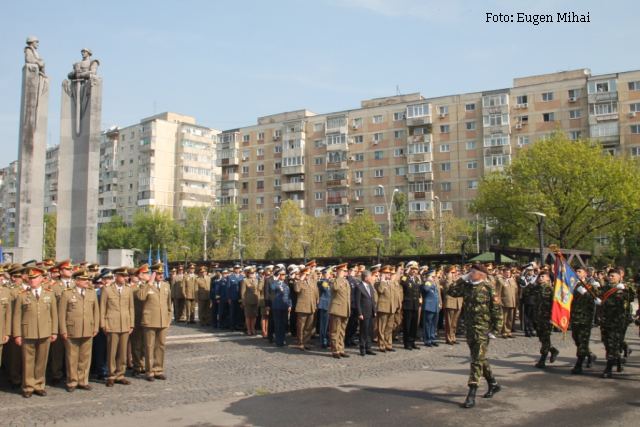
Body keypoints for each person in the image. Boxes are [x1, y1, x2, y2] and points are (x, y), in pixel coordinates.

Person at [447, 263, 503, 409]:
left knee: (476, 361)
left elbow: (497, 311)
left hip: (483, 331)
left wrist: (495, 330)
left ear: (481, 275)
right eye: (470, 271)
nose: (470, 273)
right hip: (470, 330)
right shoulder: (467, 287)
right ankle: (493, 383)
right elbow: (450, 291)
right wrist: (462, 278)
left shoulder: (489, 289)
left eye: (473, 272)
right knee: (480, 358)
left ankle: (471, 393)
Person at [12, 267, 58, 398]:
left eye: (35, 278)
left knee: (41, 361)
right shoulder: (22, 295)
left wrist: (54, 331)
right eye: (30, 278)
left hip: (44, 331)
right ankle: (28, 386)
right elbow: (17, 316)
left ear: (41, 279)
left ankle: (39, 385)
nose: (32, 281)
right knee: (28, 361)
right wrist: (17, 334)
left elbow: (54, 314)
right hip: (28, 332)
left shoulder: (49, 294)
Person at [58, 268, 99, 392]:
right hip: (72, 329)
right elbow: (61, 314)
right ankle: (72, 381)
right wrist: (63, 330)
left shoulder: (91, 293)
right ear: (76, 280)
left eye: (87, 279)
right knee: (72, 357)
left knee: (85, 357)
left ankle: (83, 380)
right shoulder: (67, 293)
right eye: (83, 279)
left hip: (88, 328)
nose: (87, 281)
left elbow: (95, 312)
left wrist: (95, 327)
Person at [100, 267, 134, 387]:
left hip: (124, 323)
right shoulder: (107, 289)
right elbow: (103, 308)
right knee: (112, 351)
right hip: (112, 323)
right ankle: (111, 375)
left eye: (126, 276)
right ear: (116, 276)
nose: (126, 278)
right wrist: (103, 324)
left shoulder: (128, 289)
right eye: (123, 276)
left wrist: (131, 324)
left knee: (122, 351)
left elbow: (131, 307)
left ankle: (120, 374)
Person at [137, 263, 172, 381]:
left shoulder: (166, 285)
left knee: (160, 346)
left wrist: (168, 319)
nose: (161, 275)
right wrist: (150, 283)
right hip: (150, 320)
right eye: (158, 273)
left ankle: (158, 369)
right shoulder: (146, 286)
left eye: (162, 273)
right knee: (149, 346)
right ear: (153, 274)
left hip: (162, 320)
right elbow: (141, 297)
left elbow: (169, 304)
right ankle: (149, 371)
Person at [600, 268, 633, 378]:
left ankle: (608, 368)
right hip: (605, 319)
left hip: (616, 320)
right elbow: (598, 296)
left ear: (620, 277)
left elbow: (623, 300)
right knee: (605, 341)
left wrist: (626, 290)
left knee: (613, 343)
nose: (611, 277)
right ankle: (618, 358)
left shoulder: (623, 289)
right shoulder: (605, 288)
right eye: (610, 275)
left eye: (613, 276)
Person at [525, 270, 560, 369]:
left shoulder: (551, 290)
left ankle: (542, 359)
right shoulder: (536, 288)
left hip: (547, 317)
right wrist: (532, 283)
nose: (541, 278)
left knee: (546, 338)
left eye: (543, 276)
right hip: (538, 317)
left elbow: (556, 305)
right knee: (541, 337)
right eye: (540, 276)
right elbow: (526, 292)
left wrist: (553, 318)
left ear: (548, 278)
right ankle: (553, 350)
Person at [569, 266, 600, 374]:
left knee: (583, 341)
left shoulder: (591, 286)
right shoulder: (573, 284)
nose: (577, 273)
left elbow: (595, 299)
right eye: (576, 271)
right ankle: (590, 354)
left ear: (585, 274)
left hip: (585, 317)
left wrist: (586, 293)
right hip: (575, 317)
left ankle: (579, 364)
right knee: (576, 338)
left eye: (579, 271)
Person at [329, 263, 351, 359]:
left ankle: (341, 349)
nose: (345, 272)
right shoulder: (334, 280)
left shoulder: (346, 281)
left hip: (345, 309)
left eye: (346, 271)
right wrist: (339, 277)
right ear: (338, 271)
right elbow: (335, 288)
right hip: (337, 309)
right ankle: (335, 350)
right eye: (344, 271)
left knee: (342, 331)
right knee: (335, 331)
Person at [400, 261, 422, 351]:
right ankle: (407, 343)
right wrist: (406, 272)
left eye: (415, 269)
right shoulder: (406, 278)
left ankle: (412, 341)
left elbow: (419, 293)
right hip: (408, 304)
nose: (414, 271)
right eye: (412, 269)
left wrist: (420, 303)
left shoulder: (417, 279)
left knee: (414, 325)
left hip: (415, 304)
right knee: (407, 325)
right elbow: (402, 283)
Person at [374, 266, 396, 353]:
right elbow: (380, 290)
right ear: (382, 274)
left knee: (389, 327)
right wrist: (382, 279)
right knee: (382, 327)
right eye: (386, 273)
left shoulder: (390, 283)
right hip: (383, 308)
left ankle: (388, 344)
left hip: (391, 307)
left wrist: (394, 306)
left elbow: (392, 296)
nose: (389, 274)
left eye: (389, 273)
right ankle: (382, 345)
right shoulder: (379, 283)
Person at [355, 270, 377, 356]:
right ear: (366, 278)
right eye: (370, 277)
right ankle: (362, 347)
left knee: (370, 331)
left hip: (371, 312)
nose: (372, 278)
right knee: (363, 331)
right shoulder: (359, 287)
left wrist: (374, 310)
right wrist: (360, 313)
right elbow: (358, 302)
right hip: (364, 313)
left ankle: (368, 347)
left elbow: (372, 300)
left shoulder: (370, 286)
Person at [294, 267, 317, 351]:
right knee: (301, 327)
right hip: (302, 307)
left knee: (308, 326)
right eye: (307, 274)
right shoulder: (299, 282)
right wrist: (301, 279)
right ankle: (300, 343)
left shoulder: (311, 282)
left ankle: (306, 342)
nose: (309, 276)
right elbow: (297, 289)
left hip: (311, 307)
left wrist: (314, 307)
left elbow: (314, 295)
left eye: (309, 274)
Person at [129, 267, 146, 376]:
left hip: (146, 318)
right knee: (136, 344)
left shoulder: (145, 286)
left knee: (145, 344)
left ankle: (143, 364)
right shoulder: (130, 288)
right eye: (145, 273)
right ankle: (136, 365)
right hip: (135, 318)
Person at [441, 265, 462, 345]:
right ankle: (448, 338)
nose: (455, 274)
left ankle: (453, 337)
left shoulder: (457, 280)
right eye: (452, 272)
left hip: (458, 302)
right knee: (449, 322)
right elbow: (448, 288)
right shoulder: (445, 280)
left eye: (455, 272)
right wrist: (449, 277)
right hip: (450, 303)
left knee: (455, 322)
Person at [270, 269, 291, 347]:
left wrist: (290, 305)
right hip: (277, 306)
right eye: (282, 275)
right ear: (279, 275)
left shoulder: (285, 284)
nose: (284, 276)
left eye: (284, 275)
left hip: (284, 306)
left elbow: (288, 296)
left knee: (283, 323)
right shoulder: (276, 284)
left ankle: (283, 339)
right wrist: (276, 279)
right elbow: (272, 288)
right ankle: (278, 340)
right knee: (278, 323)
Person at [496, 268, 518, 339]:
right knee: (504, 318)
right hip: (505, 302)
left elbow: (516, 291)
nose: (508, 274)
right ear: (503, 273)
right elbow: (498, 292)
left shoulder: (512, 281)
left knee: (511, 318)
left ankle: (509, 331)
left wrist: (517, 301)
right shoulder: (501, 281)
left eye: (509, 272)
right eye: (506, 272)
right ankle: (504, 332)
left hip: (513, 302)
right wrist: (499, 301)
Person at [421, 269, 441, 347]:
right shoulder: (425, 284)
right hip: (428, 307)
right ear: (427, 277)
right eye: (432, 277)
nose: (434, 278)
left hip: (435, 307)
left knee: (434, 324)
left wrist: (439, 304)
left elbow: (437, 296)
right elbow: (425, 289)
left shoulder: (435, 285)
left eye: (434, 277)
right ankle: (427, 340)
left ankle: (432, 338)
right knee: (427, 324)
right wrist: (428, 280)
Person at [240, 267, 259, 336]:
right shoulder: (245, 281)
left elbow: (257, 291)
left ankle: (252, 329)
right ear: (247, 274)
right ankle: (248, 330)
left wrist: (258, 300)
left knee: (254, 316)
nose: (252, 274)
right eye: (251, 273)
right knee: (248, 316)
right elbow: (243, 292)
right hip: (248, 301)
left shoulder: (256, 280)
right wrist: (243, 301)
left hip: (255, 300)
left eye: (253, 273)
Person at [317, 267, 332, 349]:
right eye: (328, 273)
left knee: (330, 325)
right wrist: (326, 278)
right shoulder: (322, 281)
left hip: (331, 305)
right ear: (324, 274)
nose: (330, 274)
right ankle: (323, 341)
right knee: (324, 325)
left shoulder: (330, 281)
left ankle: (328, 340)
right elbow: (323, 288)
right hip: (324, 305)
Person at [227, 263, 244, 331]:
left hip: (239, 297)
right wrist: (229, 298)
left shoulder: (242, 277)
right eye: (235, 268)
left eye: (238, 268)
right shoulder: (230, 277)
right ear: (234, 269)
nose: (237, 270)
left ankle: (238, 325)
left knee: (239, 312)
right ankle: (232, 326)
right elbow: (228, 288)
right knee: (232, 312)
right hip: (232, 297)